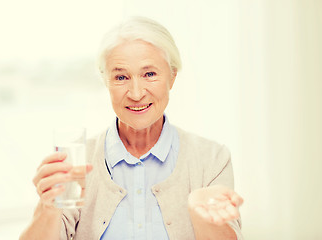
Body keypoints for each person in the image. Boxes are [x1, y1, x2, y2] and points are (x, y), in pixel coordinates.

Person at [20, 16, 244, 240]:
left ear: (172, 76)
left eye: (149, 74)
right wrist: (48, 208)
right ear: (106, 81)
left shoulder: (212, 159)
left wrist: (202, 217)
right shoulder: (77, 162)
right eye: (121, 77)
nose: (136, 93)